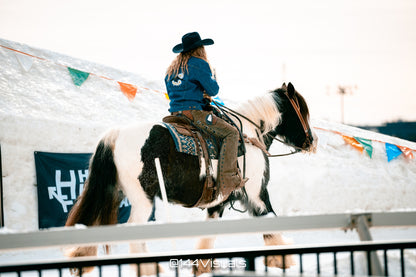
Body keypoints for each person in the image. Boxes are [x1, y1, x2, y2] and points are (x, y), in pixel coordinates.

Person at [165, 31, 247, 199]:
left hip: (174, 113)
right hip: (195, 114)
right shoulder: (199, 64)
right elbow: (213, 90)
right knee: (231, 133)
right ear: (200, 48)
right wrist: (212, 79)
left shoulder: (172, 69)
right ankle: (229, 180)